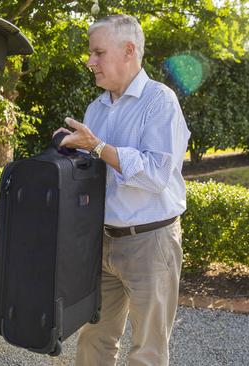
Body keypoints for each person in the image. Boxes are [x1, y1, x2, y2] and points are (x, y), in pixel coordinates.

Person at [54, 14, 190, 366]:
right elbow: (93, 173)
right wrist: (72, 151)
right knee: (93, 339)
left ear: (129, 51)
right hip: (102, 242)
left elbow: (155, 175)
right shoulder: (95, 108)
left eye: (98, 53)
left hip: (151, 243)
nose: (90, 62)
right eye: (90, 54)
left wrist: (97, 146)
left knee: (148, 350)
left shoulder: (160, 101)